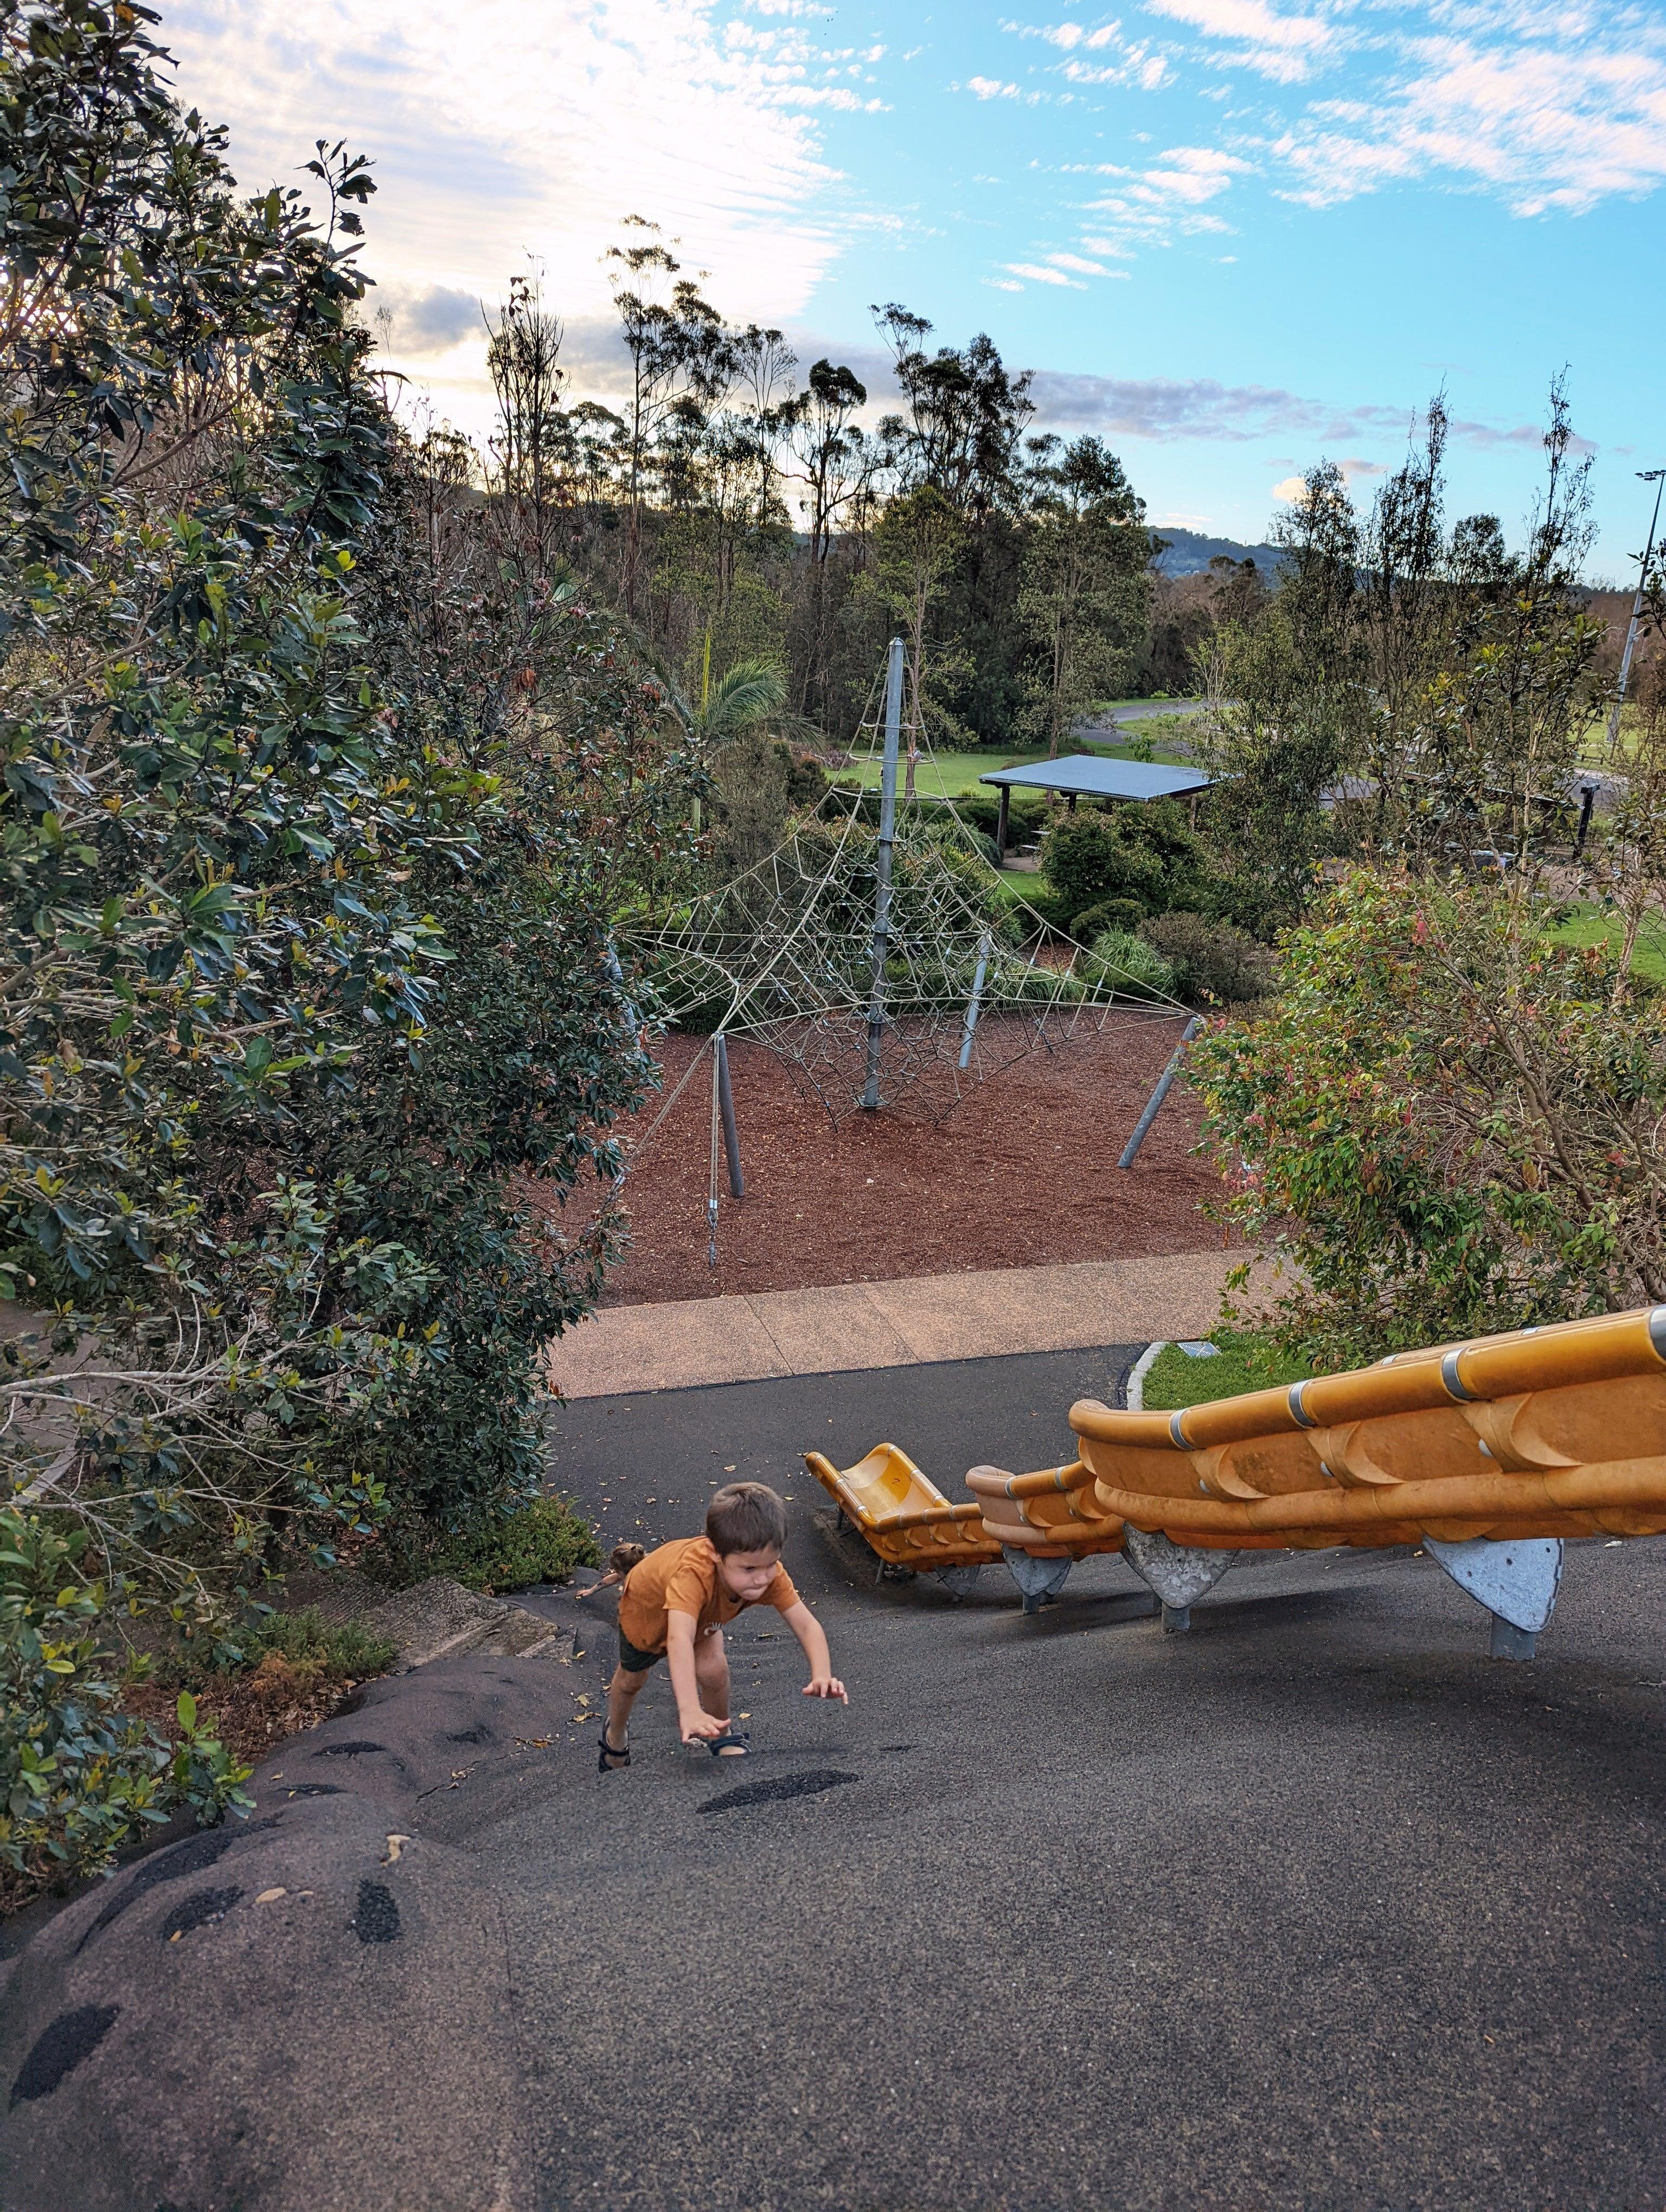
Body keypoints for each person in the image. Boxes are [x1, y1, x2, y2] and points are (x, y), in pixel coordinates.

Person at [599, 1481, 846, 1770]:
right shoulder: (693, 1574)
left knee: (713, 1670)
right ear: (716, 1553)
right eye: (750, 1569)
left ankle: (720, 1734)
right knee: (632, 1681)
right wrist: (689, 1708)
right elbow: (680, 1638)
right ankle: (615, 1734)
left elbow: (807, 1625)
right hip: (647, 1609)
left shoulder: (767, 1572)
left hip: (702, 1611)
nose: (763, 1578)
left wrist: (822, 1674)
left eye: (772, 1563)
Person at [574, 1541, 646, 1602]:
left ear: (627, 1573)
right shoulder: (643, 1565)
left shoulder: (640, 1585)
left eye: (618, 1572)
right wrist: (591, 1591)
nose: (618, 1574)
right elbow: (613, 1578)